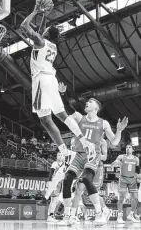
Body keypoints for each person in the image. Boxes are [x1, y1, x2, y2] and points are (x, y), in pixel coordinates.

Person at [20, 1, 96, 156]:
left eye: (46, 30)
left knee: (45, 120)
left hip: (41, 80)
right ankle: (83, 141)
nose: (43, 30)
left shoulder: (40, 42)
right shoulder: (50, 45)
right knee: (62, 115)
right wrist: (44, 16)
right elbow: (41, 30)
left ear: (47, 34)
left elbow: (24, 26)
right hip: (51, 80)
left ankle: (64, 150)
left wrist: (35, 11)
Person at [57, 82, 128, 226]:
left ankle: (100, 213)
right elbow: (67, 108)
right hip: (79, 155)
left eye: (89, 102)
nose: (86, 104)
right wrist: (63, 94)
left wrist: (119, 131)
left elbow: (114, 142)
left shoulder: (104, 123)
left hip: (92, 155)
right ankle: (69, 215)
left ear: (96, 108)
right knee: (67, 179)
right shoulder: (79, 117)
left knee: (86, 180)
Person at [71, 139, 111, 224]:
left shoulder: (102, 141)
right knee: (79, 190)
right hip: (86, 166)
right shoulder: (85, 138)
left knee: (94, 192)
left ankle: (104, 210)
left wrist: (97, 156)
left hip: (97, 167)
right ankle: (73, 215)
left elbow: (105, 157)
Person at [111, 144, 140, 223]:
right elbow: (112, 165)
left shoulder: (136, 159)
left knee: (136, 199)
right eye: (126, 147)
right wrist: (115, 162)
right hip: (123, 179)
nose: (128, 148)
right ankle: (119, 216)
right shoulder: (121, 157)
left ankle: (131, 215)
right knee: (121, 198)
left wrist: (138, 177)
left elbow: (137, 171)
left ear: (132, 150)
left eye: (129, 147)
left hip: (132, 180)